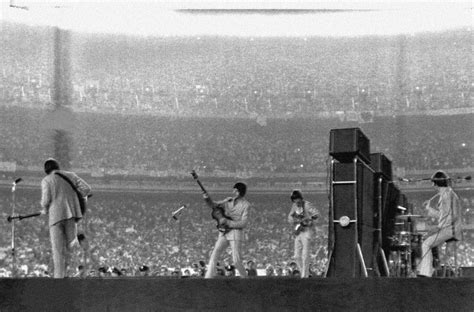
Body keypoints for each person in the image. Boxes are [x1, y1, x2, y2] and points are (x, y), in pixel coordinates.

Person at [40, 158, 92, 278]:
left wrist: (44, 209)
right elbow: (86, 189)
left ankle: (59, 279)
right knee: (72, 245)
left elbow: (46, 199)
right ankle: (79, 273)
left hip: (55, 217)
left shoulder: (47, 180)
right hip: (71, 214)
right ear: (57, 166)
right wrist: (77, 199)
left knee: (58, 251)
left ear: (46, 170)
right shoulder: (71, 175)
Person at [417, 170, 462, 277]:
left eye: (433, 183)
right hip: (450, 228)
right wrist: (429, 210)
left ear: (436, 183)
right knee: (428, 240)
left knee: (426, 243)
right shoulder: (447, 194)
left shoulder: (446, 196)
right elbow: (443, 215)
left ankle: (426, 273)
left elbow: (451, 216)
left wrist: (437, 228)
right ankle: (430, 269)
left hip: (450, 229)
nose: (433, 186)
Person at [204, 182, 250, 278]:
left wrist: (228, 223)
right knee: (214, 254)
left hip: (235, 232)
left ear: (238, 191)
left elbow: (243, 223)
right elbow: (214, 206)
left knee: (236, 260)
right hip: (224, 232)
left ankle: (245, 278)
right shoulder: (228, 201)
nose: (233, 191)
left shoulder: (246, 205)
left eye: (235, 190)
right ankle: (208, 277)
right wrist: (207, 199)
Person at [287, 190, 319, 278]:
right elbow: (289, 216)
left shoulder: (307, 205)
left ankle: (304, 276)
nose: (297, 203)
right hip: (298, 231)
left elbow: (316, 214)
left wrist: (309, 220)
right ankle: (304, 273)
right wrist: (294, 221)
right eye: (295, 201)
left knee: (305, 254)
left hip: (307, 230)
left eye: (298, 201)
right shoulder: (294, 206)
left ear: (301, 199)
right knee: (297, 256)